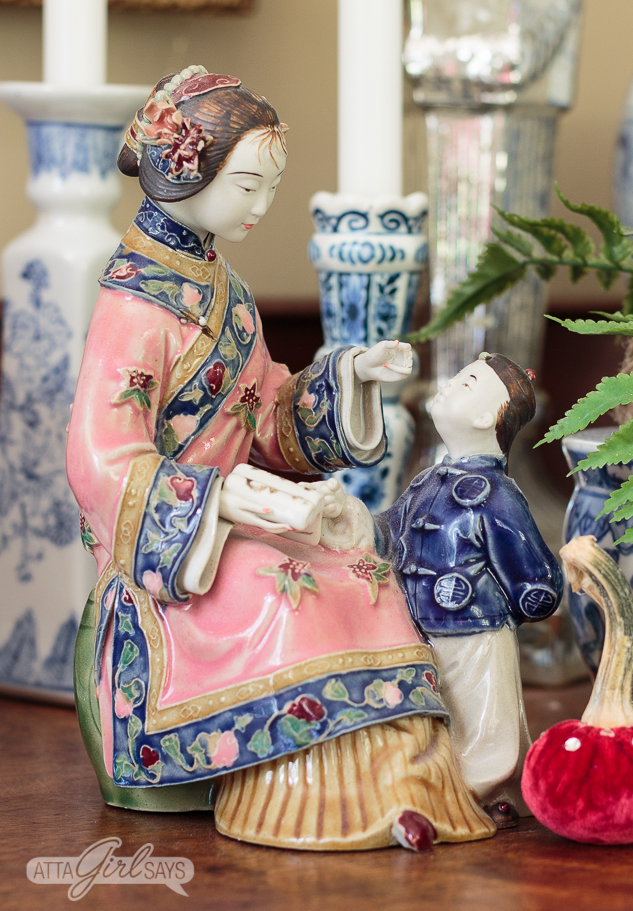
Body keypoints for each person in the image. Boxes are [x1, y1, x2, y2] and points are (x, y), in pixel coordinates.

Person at [66, 66, 495, 851]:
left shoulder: (225, 291)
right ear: (183, 169)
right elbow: (98, 455)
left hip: (242, 519)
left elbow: (263, 413)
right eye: (249, 187)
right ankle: (300, 795)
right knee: (280, 587)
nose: (263, 209)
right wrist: (216, 503)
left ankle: (390, 778)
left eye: (270, 188)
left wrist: (347, 379)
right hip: (174, 559)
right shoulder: (134, 305)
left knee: (366, 572)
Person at [328, 353, 563, 825]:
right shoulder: (429, 479)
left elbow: (536, 576)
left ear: (484, 417)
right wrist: (347, 515)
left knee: (483, 720)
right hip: (418, 624)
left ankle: (479, 790)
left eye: (468, 381)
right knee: (439, 714)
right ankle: (438, 784)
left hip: (475, 629)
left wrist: (524, 601)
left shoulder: (498, 495)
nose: (452, 383)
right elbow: (390, 531)